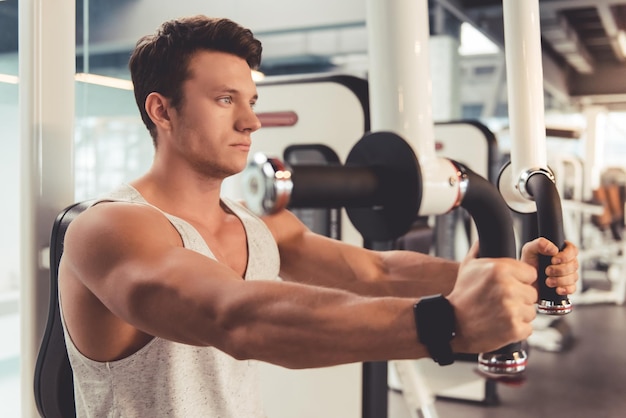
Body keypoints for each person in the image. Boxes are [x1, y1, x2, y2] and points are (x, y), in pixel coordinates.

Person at [59, 15, 579, 417]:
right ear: (161, 110)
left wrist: (512, 278)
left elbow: (377, 272)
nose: (251, 120)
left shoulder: (254, 223)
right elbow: (236, 318)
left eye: (251, 99)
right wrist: (445, 322)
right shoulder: (110, 228)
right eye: (224, 99)